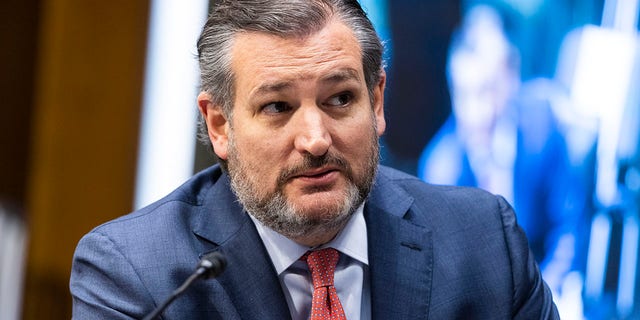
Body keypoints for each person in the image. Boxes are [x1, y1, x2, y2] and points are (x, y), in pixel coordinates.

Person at [70, 1, 559, 319]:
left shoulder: (486, 244)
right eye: (278, 107)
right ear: (220, 125)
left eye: (341, 99)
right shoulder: (137, 276)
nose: (316, 139)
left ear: (378, 100)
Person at [417, 5, 590, 298]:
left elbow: (569, 226)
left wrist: (548, 298)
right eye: (463, 94)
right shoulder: (440, 170)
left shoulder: (544, 126)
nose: (474, 114)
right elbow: (457, 278)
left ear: (511, 78)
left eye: (485, 91)